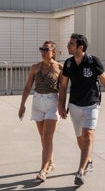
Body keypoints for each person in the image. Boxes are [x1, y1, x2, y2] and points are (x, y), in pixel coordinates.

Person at [58, 33, 105, 186]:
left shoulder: (93, 61)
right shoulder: (68, 64)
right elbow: (64, 85)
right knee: (80, 138)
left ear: (80, 47)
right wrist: (61, 104)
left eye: (71, 44)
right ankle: (89, 160)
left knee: (88, 136)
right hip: (74, 105)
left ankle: (80, 170)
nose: (68, 46)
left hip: (92, 104)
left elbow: (104, 81)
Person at [18, 41, 63, 182]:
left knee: (48, 136)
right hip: (37, 102)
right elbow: (27, 87)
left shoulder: (60, 68)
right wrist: (22, 105)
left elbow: (63, 89)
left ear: (53, 52)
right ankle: (50, 162)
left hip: (52, 102)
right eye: (42, 49)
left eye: (46, 49)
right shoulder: (35, 67)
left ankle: (43, 170)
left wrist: (62, 106)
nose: (43, 52)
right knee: (43, 137)